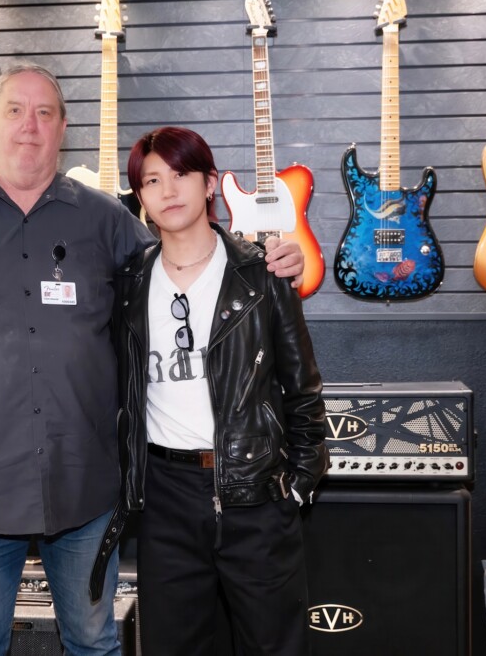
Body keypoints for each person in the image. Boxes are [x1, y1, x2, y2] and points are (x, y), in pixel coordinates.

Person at [0, 66, 306, 656]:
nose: (29, 126)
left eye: (45, 113)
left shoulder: (106, 219)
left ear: (63, 128)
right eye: (15, 110)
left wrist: (264, 257)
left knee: (93, 641)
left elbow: (188, 259)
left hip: (85, 486)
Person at [93, 126, 328, 655]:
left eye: (181, 174)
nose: (169, 190)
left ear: (210, 184)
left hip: (256, 493)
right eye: (153, 180)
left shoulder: (262, 274)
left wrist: (296, 488)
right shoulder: (128, 284)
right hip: (164, 498)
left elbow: (304, 390)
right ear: (141, 197)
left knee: (274, 646)